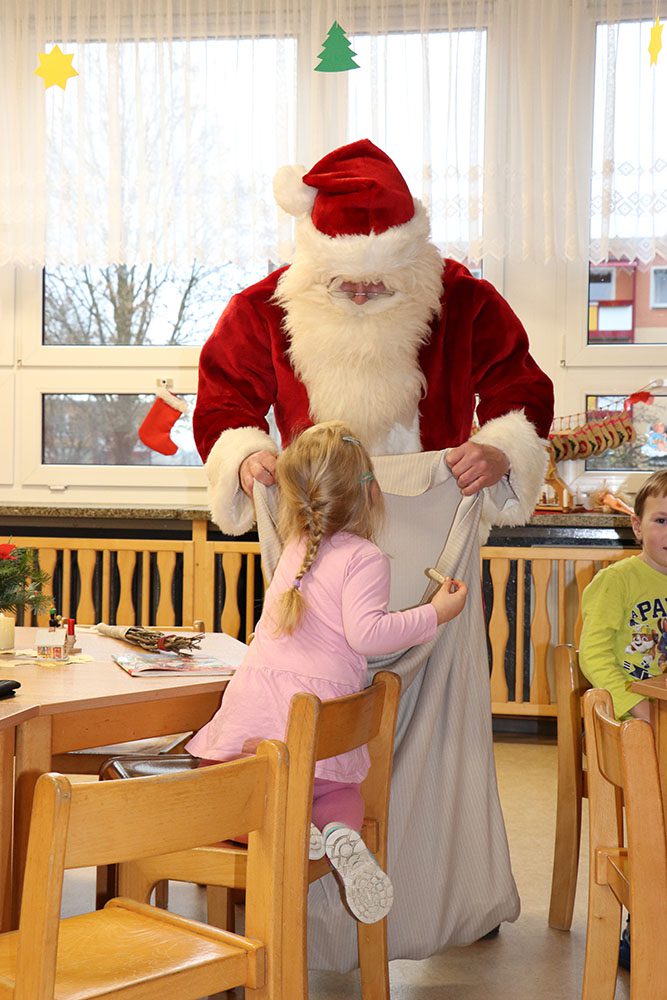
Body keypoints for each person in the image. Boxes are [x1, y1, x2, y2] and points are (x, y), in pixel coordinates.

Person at [193, 138, 553, 538]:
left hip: (436, 519)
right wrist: (246, 458)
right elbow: (224, 401)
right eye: (343, 285)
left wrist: (500, 450)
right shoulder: (262, 309)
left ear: (409, 267)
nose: (362, 296)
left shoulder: (465, 302)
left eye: (380, 284)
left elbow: (519, 386)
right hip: (314, 519)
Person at [185, 421, 468, 924]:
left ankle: (288, 825)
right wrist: (436, 614)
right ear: (370, 492)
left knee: (222, 781)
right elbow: (368, 635)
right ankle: (337, 832)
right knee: (337, 792)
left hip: (263, 713)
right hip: (321, 720)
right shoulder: (366, 557)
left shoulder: (296, 548)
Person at [579, 469, 667, 972]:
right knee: (656, 817)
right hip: (631, 729)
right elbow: (593, 654)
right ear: (637, 525)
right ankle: (643, 921)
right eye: (661, 520)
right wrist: (633, 705)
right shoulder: (617, 582)